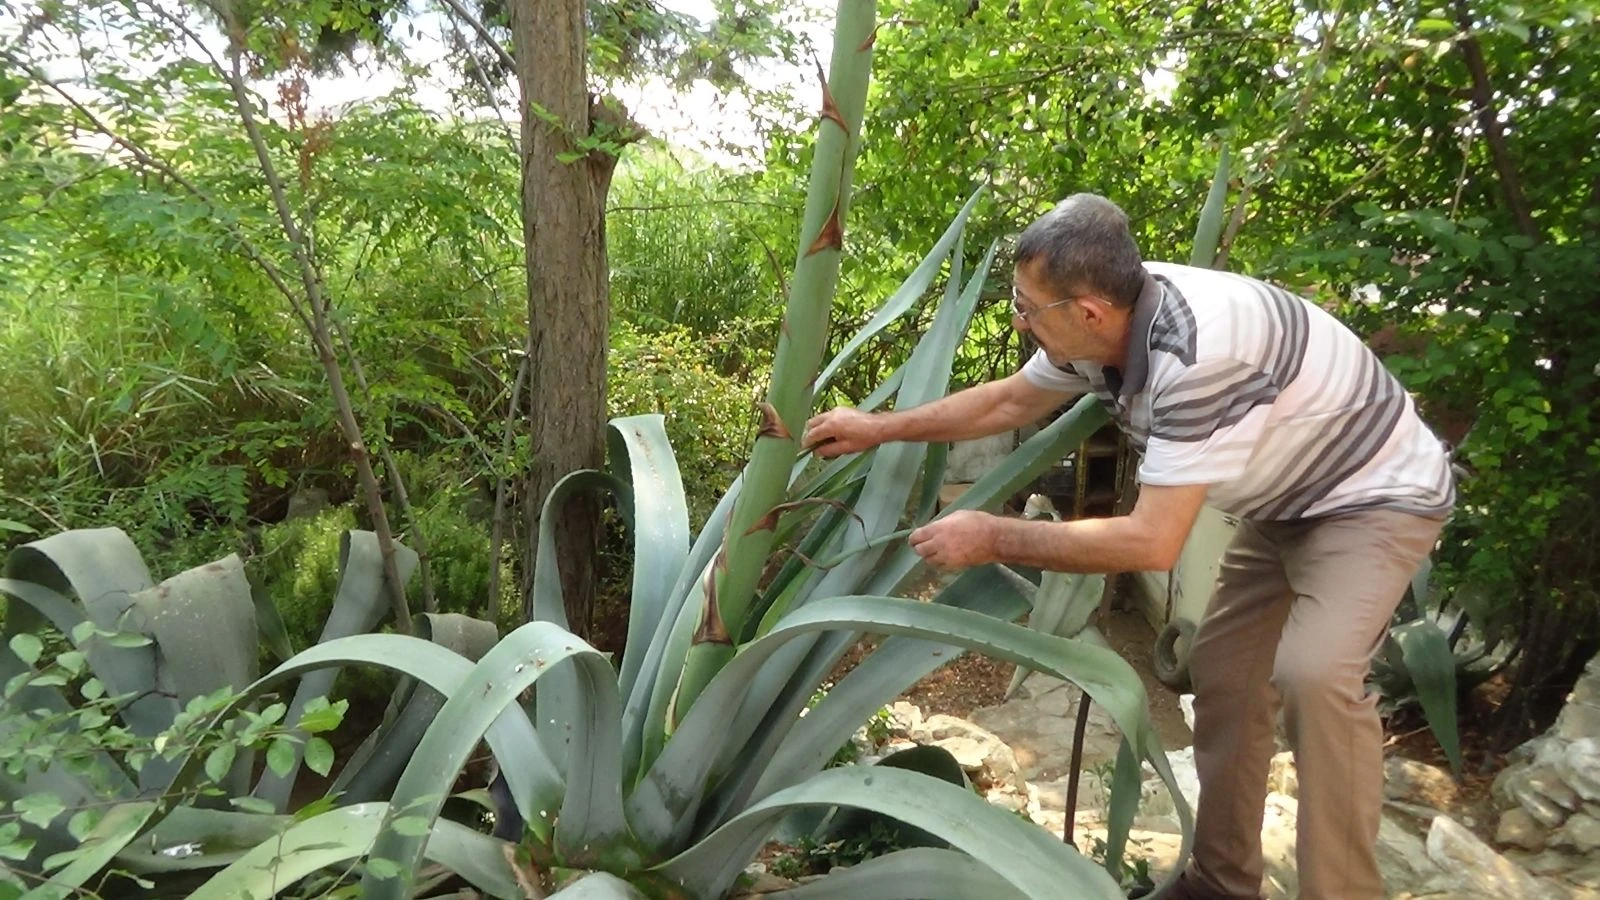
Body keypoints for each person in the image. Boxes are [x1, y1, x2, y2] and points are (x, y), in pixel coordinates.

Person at [803, 193, 1455, 900]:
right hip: (1280, 506)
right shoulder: (1103, 329)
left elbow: (1154, 541)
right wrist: (878, 427)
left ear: (1087, 311)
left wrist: (993, 535)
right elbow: (1008, 403)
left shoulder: (1196, 356)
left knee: (1313, 674)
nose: (1019, 318)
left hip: (1374, 494)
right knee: (1229, 674)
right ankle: (1221, 883)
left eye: (1027, 306)